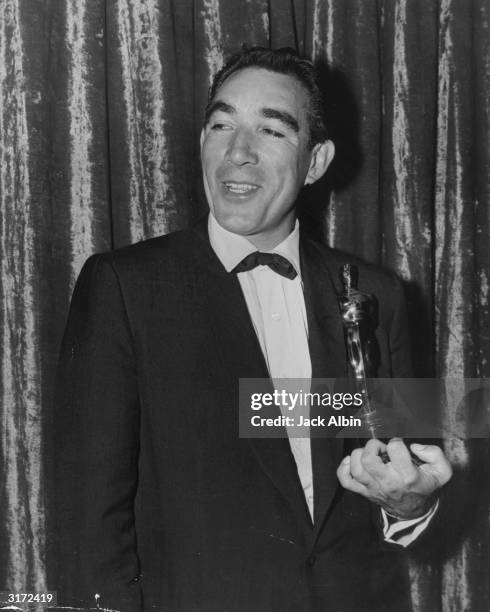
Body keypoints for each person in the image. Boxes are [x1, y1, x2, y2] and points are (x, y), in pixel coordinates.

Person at [54, 47, 452, 612]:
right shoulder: (123, 286)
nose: (237, 153)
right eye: (221, 125)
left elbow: (404, 480)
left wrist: (410, 506)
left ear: (316, 162)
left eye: (270, 130)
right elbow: (88, 518)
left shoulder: (378, 294)